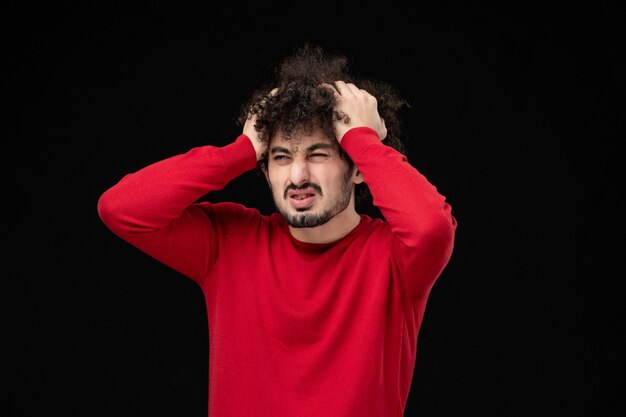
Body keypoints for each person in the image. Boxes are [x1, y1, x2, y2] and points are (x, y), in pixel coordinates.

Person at [97, 44, 457, 417]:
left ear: (359, 168)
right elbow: (121, 208)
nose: (298, 176)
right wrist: (240, 150)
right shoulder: (228, 243)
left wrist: (364, 141)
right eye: (281, 157)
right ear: (264, 167)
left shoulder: (394, 256)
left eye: (318, 154)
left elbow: (431, 227)